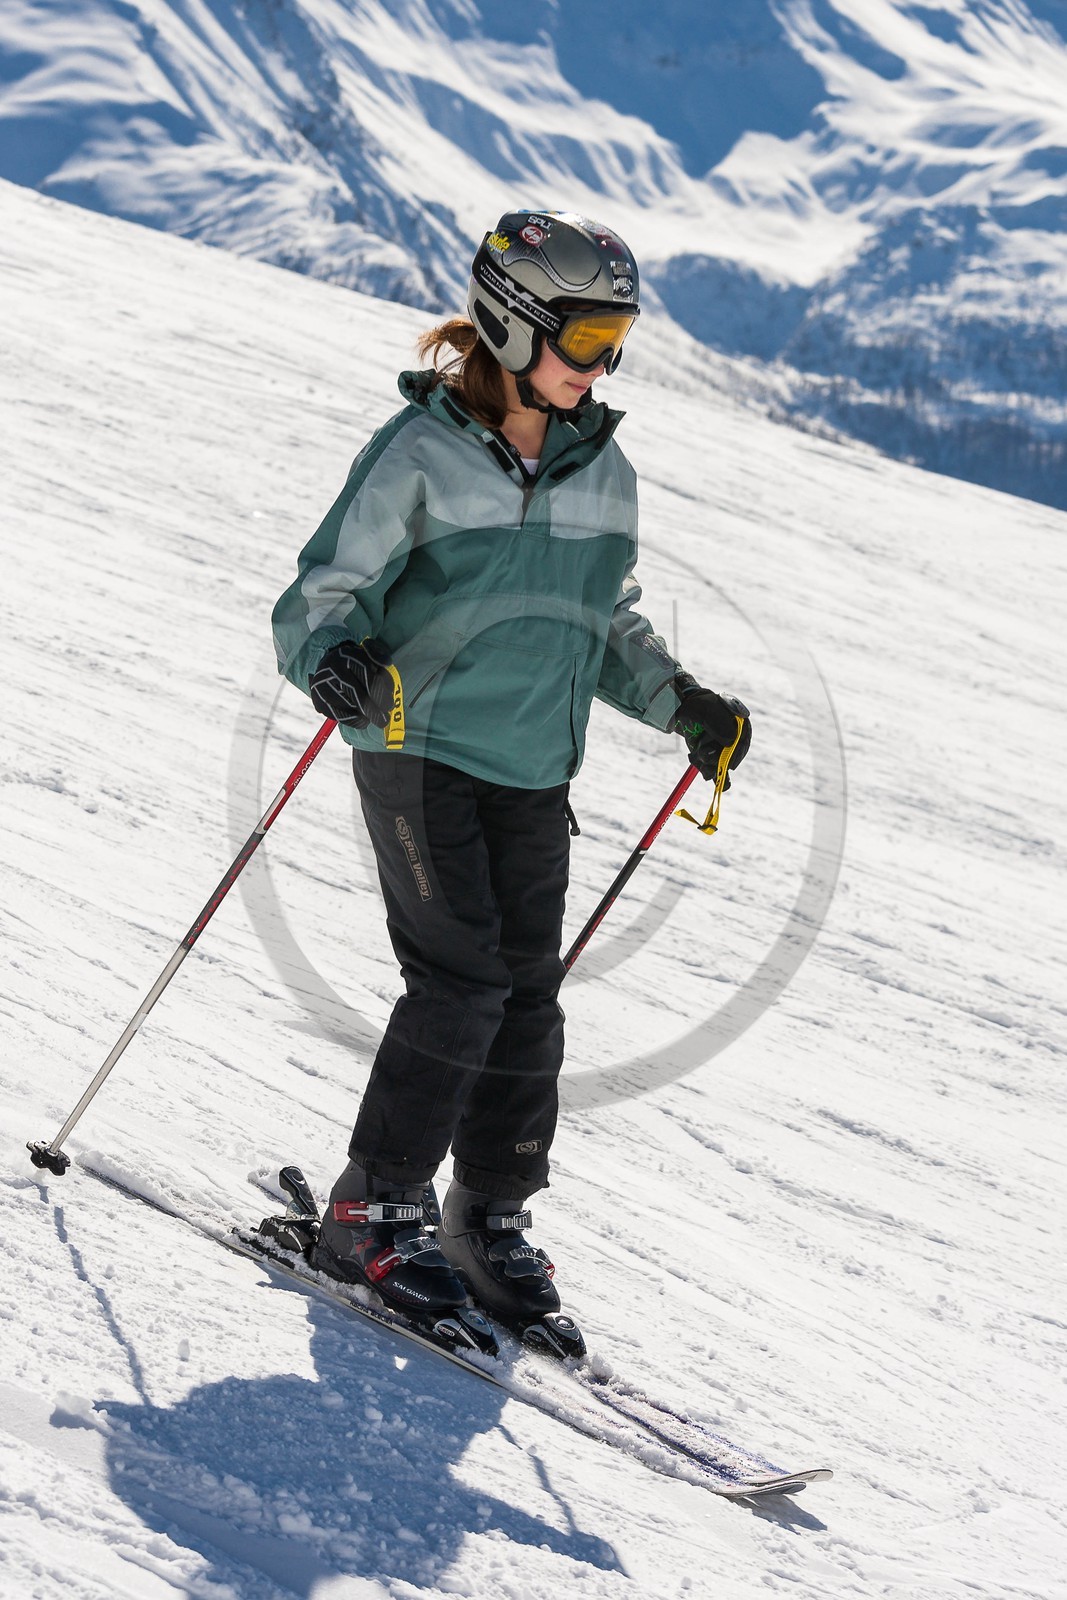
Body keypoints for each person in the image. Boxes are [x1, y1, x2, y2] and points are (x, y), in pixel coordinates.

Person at [271, 210, 751, 1344]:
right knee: (461, 984)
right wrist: (329, 659)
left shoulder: (603, 468)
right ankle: (370, 1208)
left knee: (527, 997)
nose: (601, 364)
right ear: (511, 320)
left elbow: (605, 622)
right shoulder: (419, 451)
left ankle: (484, 1210)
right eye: (584, 337)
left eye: (613, 340)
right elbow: (318, 593)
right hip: (416, 747)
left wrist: (680, 700)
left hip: (536, 770)